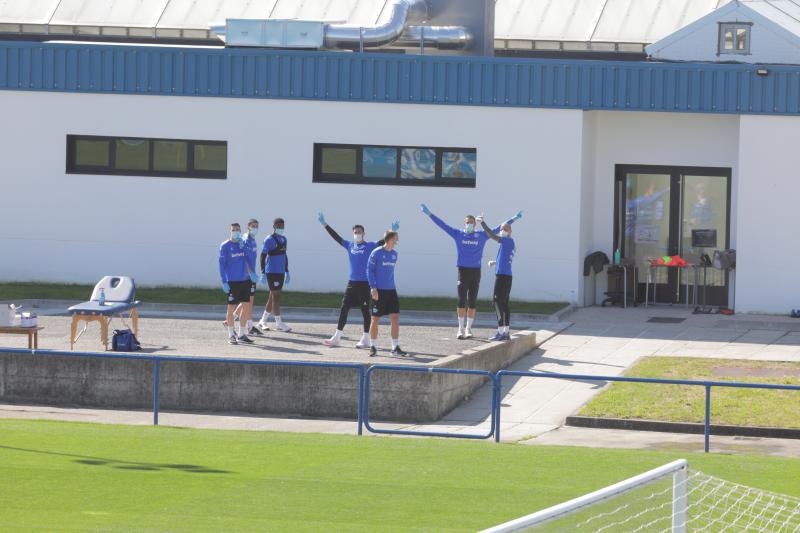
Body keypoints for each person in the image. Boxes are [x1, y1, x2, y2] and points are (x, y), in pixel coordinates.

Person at [420, 204, 522, 340]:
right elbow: (443, 225)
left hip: (475, 272)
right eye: (467, 223)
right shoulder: (458, 234)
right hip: (462, 270)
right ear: (464, 224)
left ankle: (469, 329)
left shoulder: (481, 235)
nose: (469, 224)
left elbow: (499, 227)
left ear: (475, 225)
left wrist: (514, 218)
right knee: (462, 300)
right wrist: (429, 214)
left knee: (472, 301)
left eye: (471, 223)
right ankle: (460, 329)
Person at [317, 213, 399, 348]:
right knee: (344, 307)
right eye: (355, 232)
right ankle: (337, 337)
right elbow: (336, 237)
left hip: (365, 283)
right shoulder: (349, 245)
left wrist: (392, 229)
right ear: (353, 233)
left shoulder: (370, 246)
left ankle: (366, 338)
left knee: (365, 310)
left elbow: (384, 241)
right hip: (352, 283)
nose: (357, 234)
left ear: (364, 233)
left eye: (359, 232)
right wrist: (325, 224)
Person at [366, 230, 406, 357]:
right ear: (389, 239)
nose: (397, 240)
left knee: (395, 317)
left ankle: (395, 347)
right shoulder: (376, 252)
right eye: (395, 238)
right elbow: (369, 270)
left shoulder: (395, 254)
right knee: (375, 319)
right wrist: (373, 288)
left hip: (391, 290)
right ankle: (373, 346)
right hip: (379, 290)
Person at [479, 215, 516, 341]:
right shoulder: (510, 243)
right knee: (504, 304)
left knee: (497, 302)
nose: (502, 231)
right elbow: (506, 259)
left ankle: (500, 332)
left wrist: (482, 223)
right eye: (501, 229)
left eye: (505, 229)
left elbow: (490, 234)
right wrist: (495, 262)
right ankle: (506, 332)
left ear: (510, 231)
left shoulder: (506, 241)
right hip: (507, 276)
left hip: (502, 277)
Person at [218, 223, 256, 345]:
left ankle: (241, 334)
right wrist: (224, 281)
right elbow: (221, 265)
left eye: (238, 230)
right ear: (230, 231)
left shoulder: (243, 244)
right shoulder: (225, 246)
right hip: (232, 282)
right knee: (231, 308)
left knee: (245, 307)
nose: (236, 232)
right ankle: (230, 335)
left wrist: (252, 273)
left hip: (244, 280)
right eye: (233, 230)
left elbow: (250, 259)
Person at [258, 217, 292, 333]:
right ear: (274, 226)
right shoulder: (269, 239)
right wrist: (262, 272)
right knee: (276, 297)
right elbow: (262, 256)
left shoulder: (284, 239)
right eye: (278, 226)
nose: (281, 228)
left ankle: (263, 320)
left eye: (282, 227)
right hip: (271, 271)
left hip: (281, 272)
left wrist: (287, 270)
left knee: (273, 296)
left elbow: (284, 255)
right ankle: (279, 323)